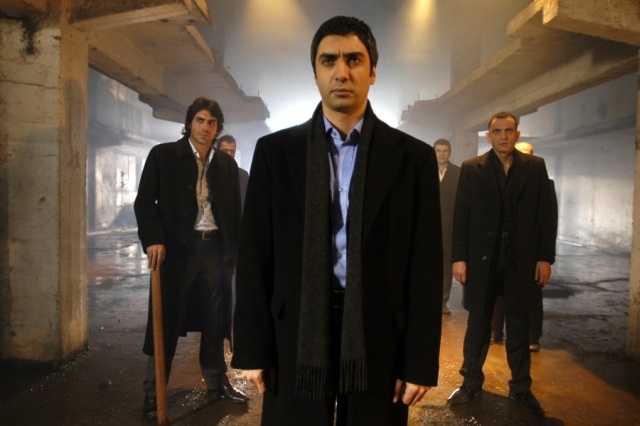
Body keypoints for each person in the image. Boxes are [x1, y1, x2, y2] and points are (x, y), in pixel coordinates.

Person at [231, 16, 443, 426]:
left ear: (373, 71)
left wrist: (419, 361)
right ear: (315, 73)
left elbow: (425, 267)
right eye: (328, 60)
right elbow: (255, 255)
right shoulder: (275, 153)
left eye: (354, 59)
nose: (341, 72)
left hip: (378, 331)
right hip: (296, 327)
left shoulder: (412, 159)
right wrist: (254, 348)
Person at [134, 96, 248, 419]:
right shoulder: (164, 156)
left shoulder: (226, 165)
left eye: (212, 122)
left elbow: (234, 213)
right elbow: (145, 203)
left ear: (217, 128)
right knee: (166, 321)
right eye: (200, 120)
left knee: (216, 319)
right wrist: (153, 240)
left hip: (214, 252)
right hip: (176, 254)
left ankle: (217, 382)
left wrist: (235, 255)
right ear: (189, 123)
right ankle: (153, 392)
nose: (205, 127)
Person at [447, 112, 557, 416]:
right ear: (489, 135)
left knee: (519, 324)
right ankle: (470, 382)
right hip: (484, 258)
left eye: (509, 131)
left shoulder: (535, 167)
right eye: (497, 131)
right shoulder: (472, 168)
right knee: (478, 323)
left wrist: (545, 257)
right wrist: (459, 257)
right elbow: (461, 216)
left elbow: (546, 216)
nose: (503, 136)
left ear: (517, 134)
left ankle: (521, 387)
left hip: (521, 258)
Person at [490, 141, 558, 352]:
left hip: (530, 250)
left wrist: (545, 257)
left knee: (532, 294)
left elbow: (549, 220)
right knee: (499, 291)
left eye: (527, 153)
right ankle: (495, 331)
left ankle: (532, 336)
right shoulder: (500, 180)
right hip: (503, 248)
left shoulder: (545, 183)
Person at [434, 139, 460, 315]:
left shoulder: (458, 173)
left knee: (445, 266)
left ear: (449, 152)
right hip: (429, 228)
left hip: (449, 228)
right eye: (438, 150)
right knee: (429, 265)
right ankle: (429, 299)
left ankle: (442, 302)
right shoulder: (426, 171)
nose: (442, 154)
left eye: (445, 150)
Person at [217, 134, 249, 211]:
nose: (229, 154)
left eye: (232, 151)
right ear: (217, 151)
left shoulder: (243, 175)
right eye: (225, 151)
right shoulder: (209, 172)